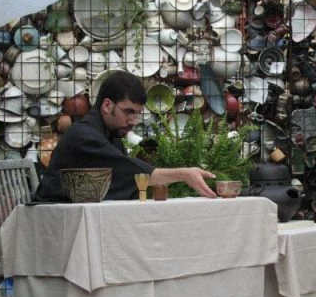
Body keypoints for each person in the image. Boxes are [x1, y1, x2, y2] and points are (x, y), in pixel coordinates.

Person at [34, 70, 217, 202]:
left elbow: (125, 176)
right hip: (51, 221)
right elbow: (130, 172)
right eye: (128, 112)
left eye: (136, 114)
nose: (133, 121)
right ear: (107, 106)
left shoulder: (111, 134)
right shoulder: (84, 136)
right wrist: (184, 174)